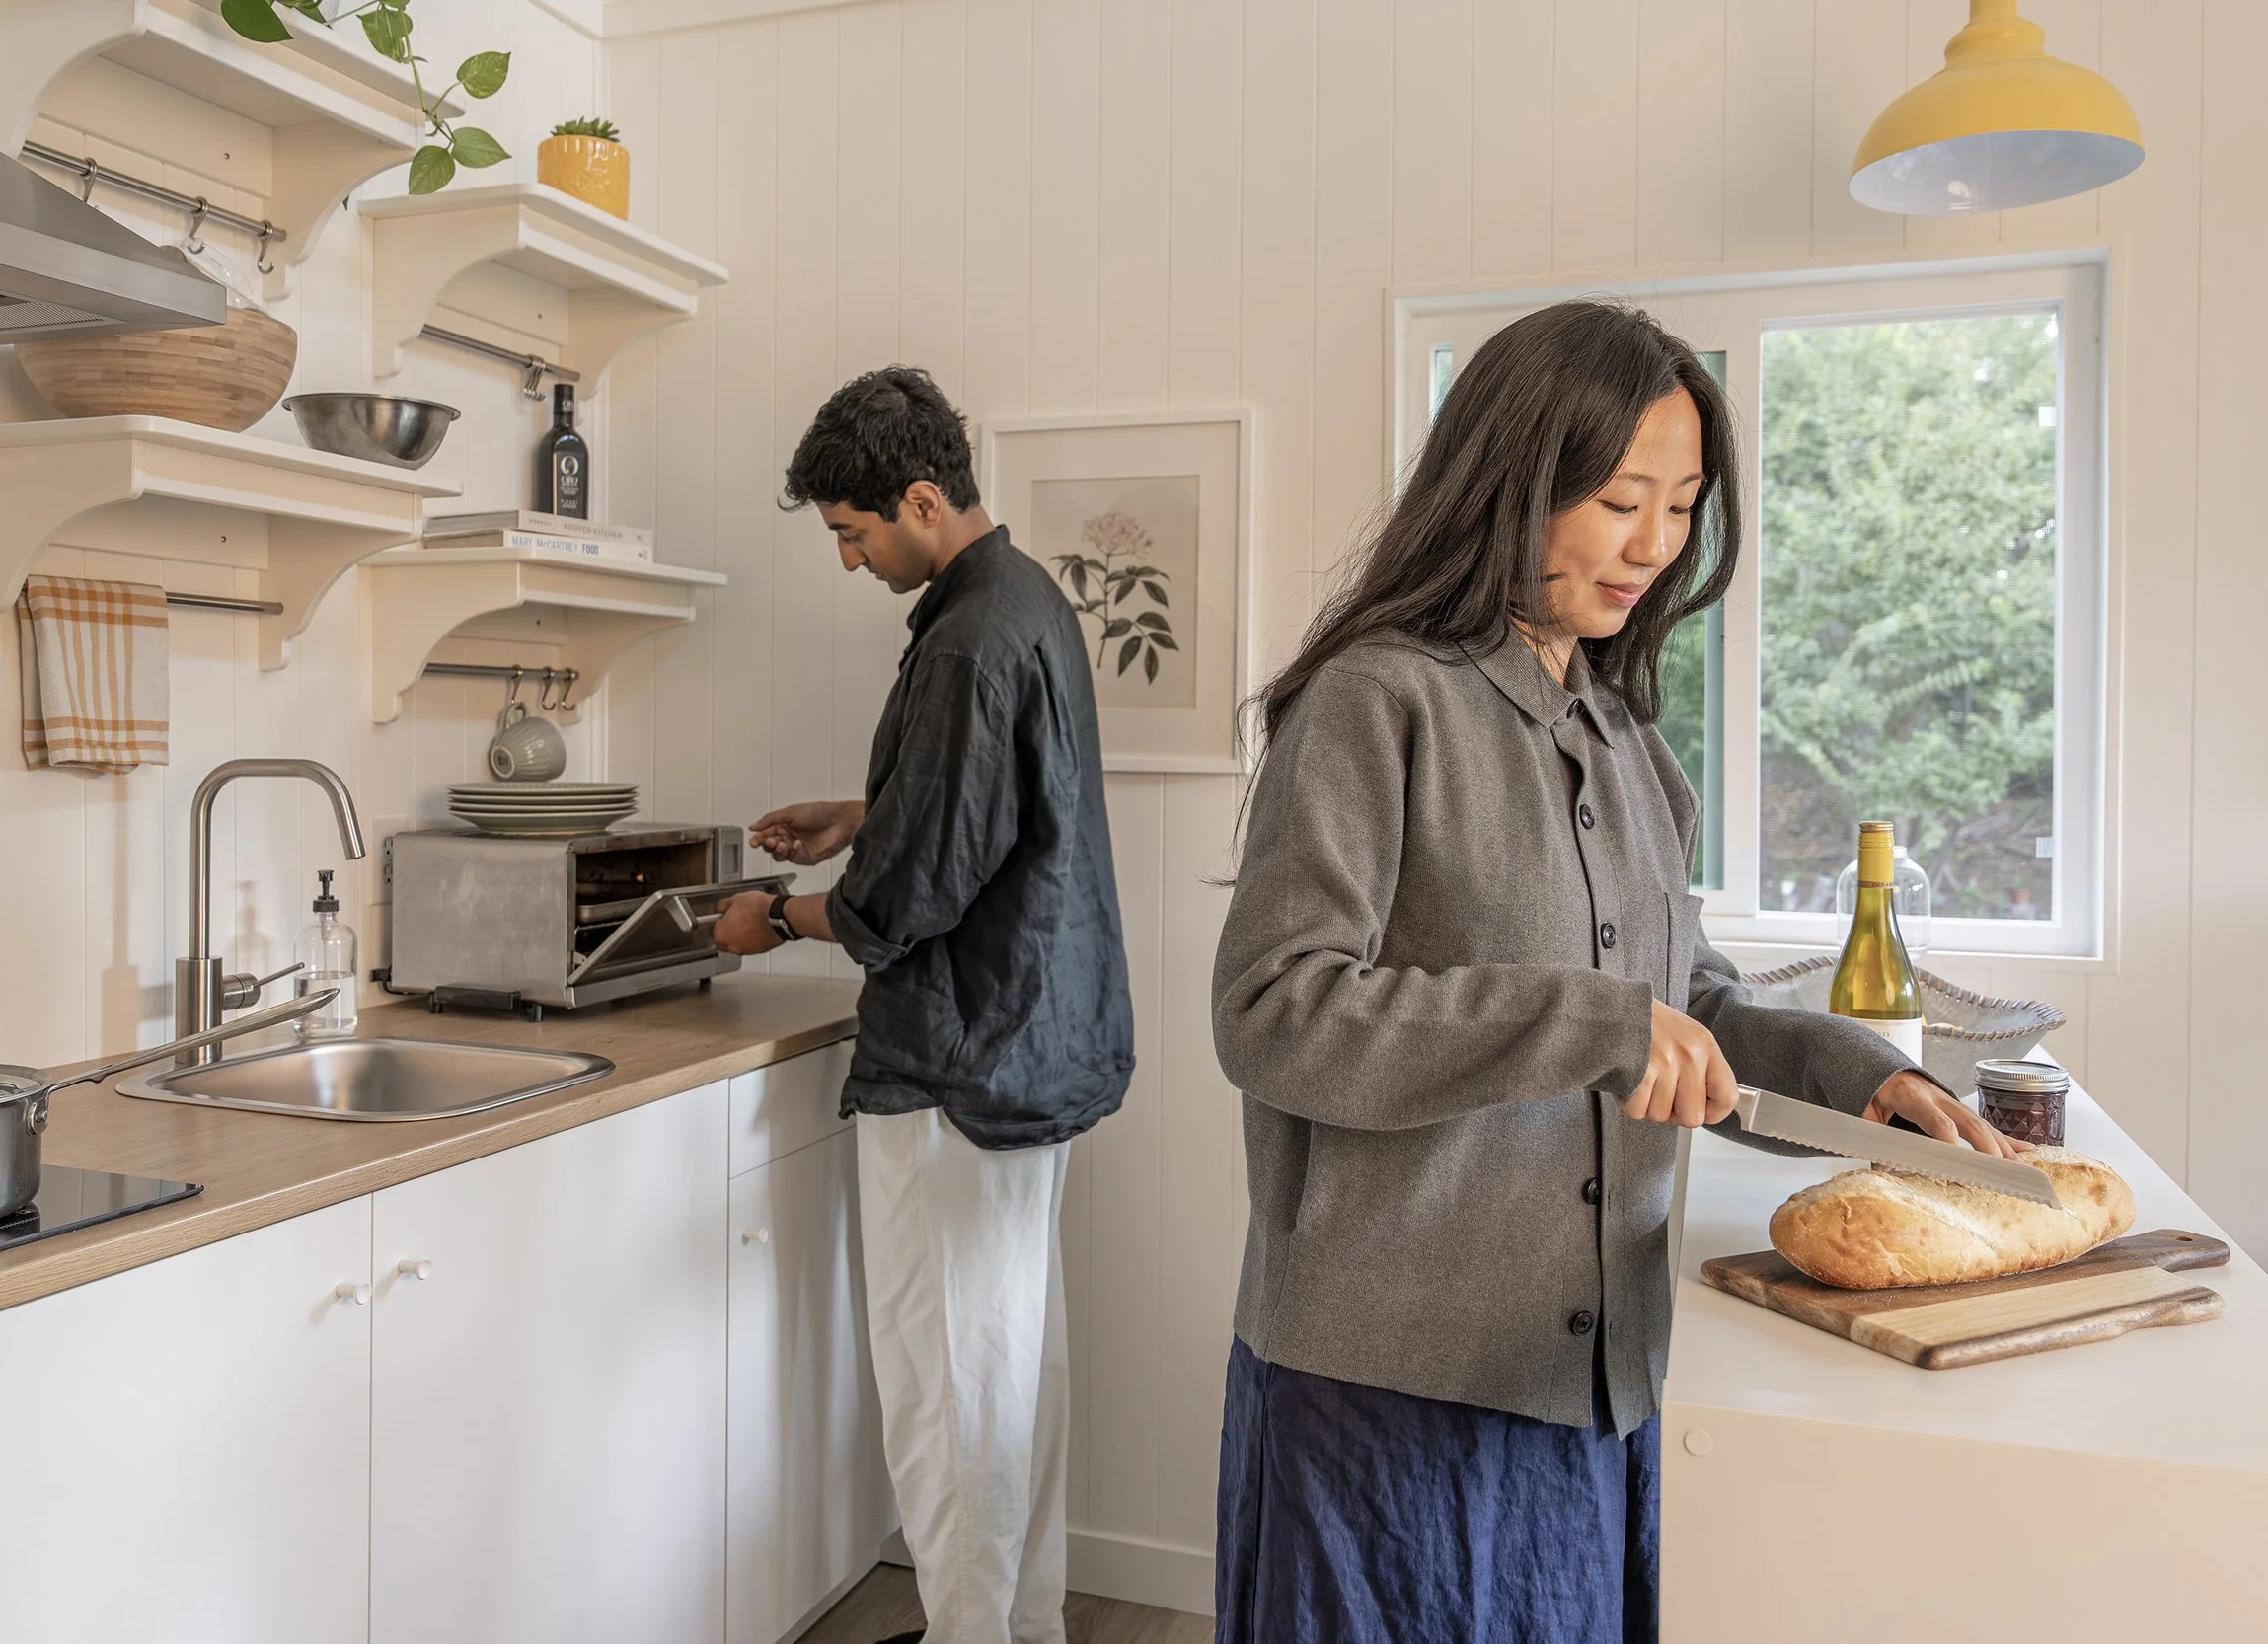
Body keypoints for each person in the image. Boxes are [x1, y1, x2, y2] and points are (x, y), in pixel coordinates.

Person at [1208, 301, 2018, 1643]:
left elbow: (1678, 990)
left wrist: (1855, 1071)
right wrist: (1581, 1023)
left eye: (1684, 503)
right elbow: (1277, 1009)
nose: (1657, 544)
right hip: (1387, 1400)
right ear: (1509, 478)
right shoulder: (1377, 701)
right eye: (1621, 498)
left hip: (1591, 1388)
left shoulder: (1626, 731)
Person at [708, 365, 1134, 1644]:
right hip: (1034, 1053)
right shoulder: (1026, 603)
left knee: (951, 1393)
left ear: (923, 496)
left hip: (959, 1068)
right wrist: (864, 811)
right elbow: (991, 818)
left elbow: (906, 902)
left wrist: (774, 917)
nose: (849, 562)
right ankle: (1021, 1627)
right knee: (1015, 1380)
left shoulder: (961, 641)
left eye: (852, 535)